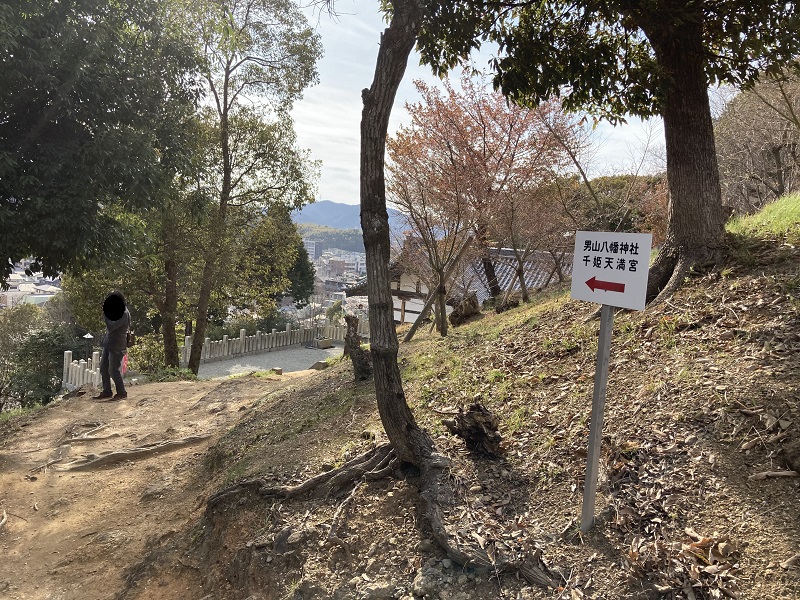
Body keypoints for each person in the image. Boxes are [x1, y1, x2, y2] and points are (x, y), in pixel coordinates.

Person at [93, 291, 130, 400]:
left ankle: (122, 393)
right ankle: (107, 391)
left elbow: (111, 326)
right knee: (103, 368)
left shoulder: (124, 313)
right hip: (109, 343)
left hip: (117, 345)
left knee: (113, 370)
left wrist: (106, 315)